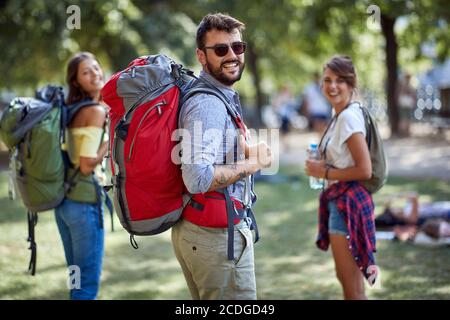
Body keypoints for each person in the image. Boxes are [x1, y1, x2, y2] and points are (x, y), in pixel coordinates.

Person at [171, 13, 272, 300]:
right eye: (220, 50)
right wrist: (254, 163)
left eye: (237, 47)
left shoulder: (213, 95)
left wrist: (245, 150)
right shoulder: (208, 104)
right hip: (214, 239)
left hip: (201, 233)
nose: (231, 55)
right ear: (201, 56)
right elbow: (197, 178)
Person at [305, 55, 376, 300]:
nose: (332, 86)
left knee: (351, 289)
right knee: (353, 286)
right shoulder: (344, 114)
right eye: (327, 80)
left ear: (351, 84)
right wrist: (326, 165)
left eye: (340, 80)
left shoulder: (347, 117)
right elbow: (348, 160)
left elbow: (364, 169)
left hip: (347, 205)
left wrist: (322, 172)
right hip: (346, 202)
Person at [55, 52, 108, 300]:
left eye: (96, 68)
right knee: (86, 287)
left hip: (64, 204)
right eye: (86, 72)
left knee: (76, 281)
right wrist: (110, 143)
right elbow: (87, 165)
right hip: (84, 203)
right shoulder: (95, 111)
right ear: (75, 81)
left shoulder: (70, 109)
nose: (95, 74)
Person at [376, 191, 450, 241]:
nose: (396, 208)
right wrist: (397, 197)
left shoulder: (406, 211)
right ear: (394, 217)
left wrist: (392, 201)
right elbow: (414, 196)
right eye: (394, 211)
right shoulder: (411, 218)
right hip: (446, 213)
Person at [397, 72, 416, 137]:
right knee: (405, 119)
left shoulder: (403, 84)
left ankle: (405, 133)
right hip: (406, 104)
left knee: (405, 119)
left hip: (404, 104)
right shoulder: (408, 85)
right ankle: (405, 133)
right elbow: (412, 94)